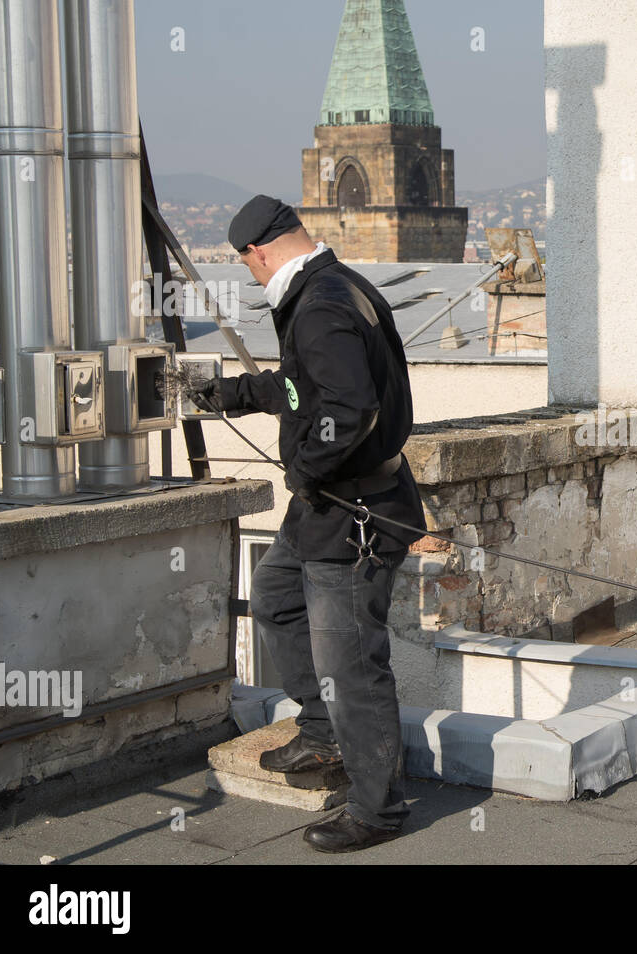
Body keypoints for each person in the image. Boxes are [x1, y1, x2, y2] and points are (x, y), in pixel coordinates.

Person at [192, 194, 427, 852]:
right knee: (274, 599)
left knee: (350, 661)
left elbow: (346, 413)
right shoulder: (336, 286)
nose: (252, 278)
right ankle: (323, 735)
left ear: (259, 253)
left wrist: (310, 468)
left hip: (352, 512)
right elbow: (304, 388)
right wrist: (234, 394)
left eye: (248, 268)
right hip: (328, 507)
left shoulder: (320, 306)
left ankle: (376, 808)